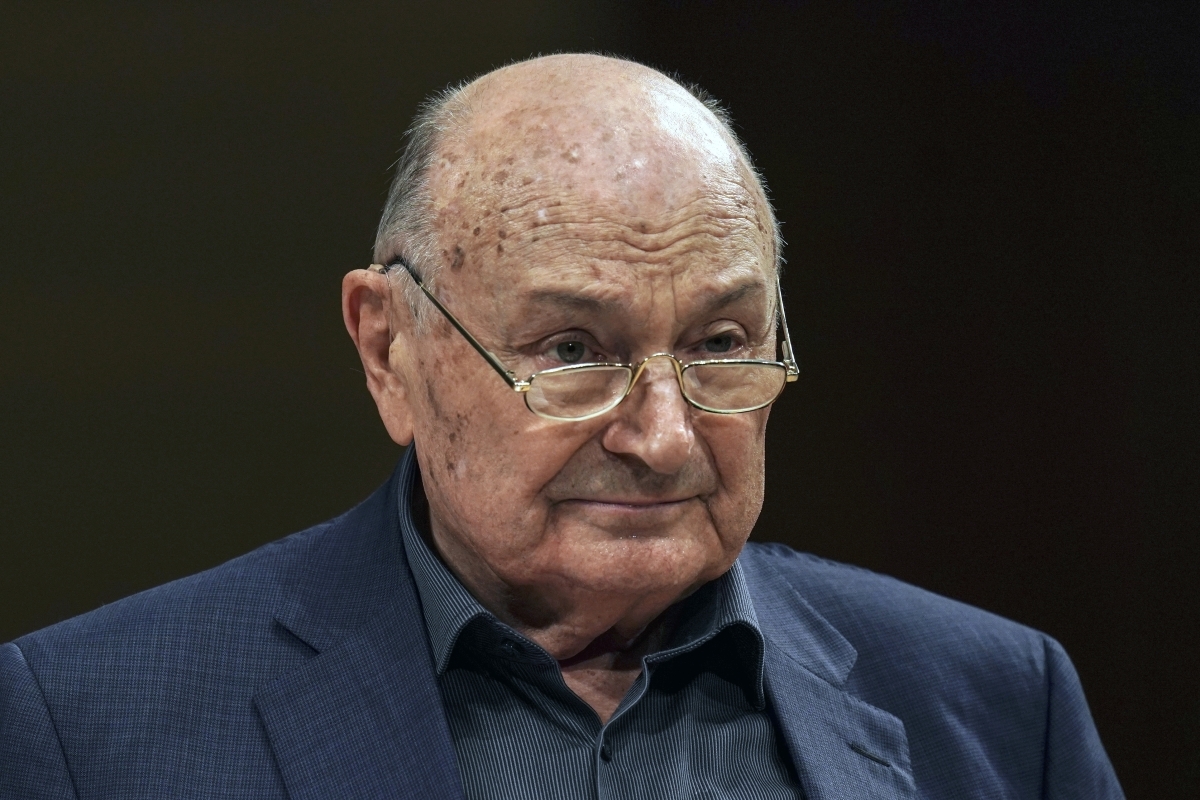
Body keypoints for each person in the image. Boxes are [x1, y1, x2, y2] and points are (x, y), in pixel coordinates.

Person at [1, 54, 1122, 799]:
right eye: (574, 350)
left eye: (722, 342)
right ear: (388, 350)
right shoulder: (89, 733)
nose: (664, 437)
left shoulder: (994, 709)